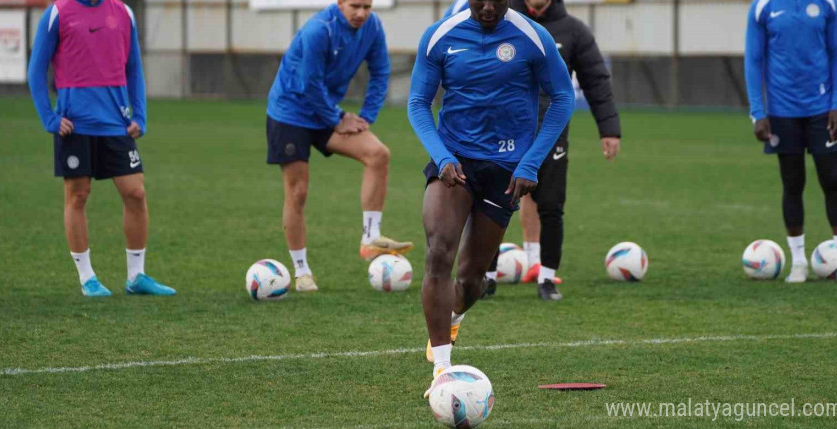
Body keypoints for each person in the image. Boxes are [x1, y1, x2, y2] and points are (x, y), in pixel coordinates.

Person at [408, 0, 574, 387]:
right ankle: (443, 370)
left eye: (496, 1)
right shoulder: (439, 36)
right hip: (454, 162)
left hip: (505, 168)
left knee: (470, 281)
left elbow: (563, 98)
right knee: (438, 252)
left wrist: (531, 162)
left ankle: (454, 315)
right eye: (479, 0)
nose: (487, 8)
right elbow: (418, 103)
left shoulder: (535, 37)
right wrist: (441, 156)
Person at [445, 0, 621, 301]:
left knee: (551, 205)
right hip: (502, 134)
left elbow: (595, 80)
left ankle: (547, 278)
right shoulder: (499, 22)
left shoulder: (574, 30)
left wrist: (609, 129)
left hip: (551, 134)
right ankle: (486, 275)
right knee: (491, 204)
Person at [28, 0, 175, 297]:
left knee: (136, 192)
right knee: (78, 196)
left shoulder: (123, 12)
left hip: (116, 123)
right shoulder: (58, 12)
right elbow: (36, 69)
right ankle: (87, 278)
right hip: (75, 125)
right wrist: (49, 118)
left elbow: (134, 67)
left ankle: (136, 276)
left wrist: (140, 115)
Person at [266, 0, 412, 292]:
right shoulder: (319, 30)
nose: (361, 13)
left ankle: (370, 237)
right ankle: (301, 270)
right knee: (298, 191)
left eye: (367, 6)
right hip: (291, 113)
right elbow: (308, 83)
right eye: (355, 5)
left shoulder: (372, 26)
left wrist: (365, 118)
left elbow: (381, 72)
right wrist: (337, 118)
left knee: (378, 154)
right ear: (340, 3)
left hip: (326, 113)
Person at [745, 0, 837, 285]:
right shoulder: (763, 7)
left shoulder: (828, 4)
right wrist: (758, 112)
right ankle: (798, 263)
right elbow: (753, 59)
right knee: (792, 183)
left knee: (832, 179)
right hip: (782, 113)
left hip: (823, 111)